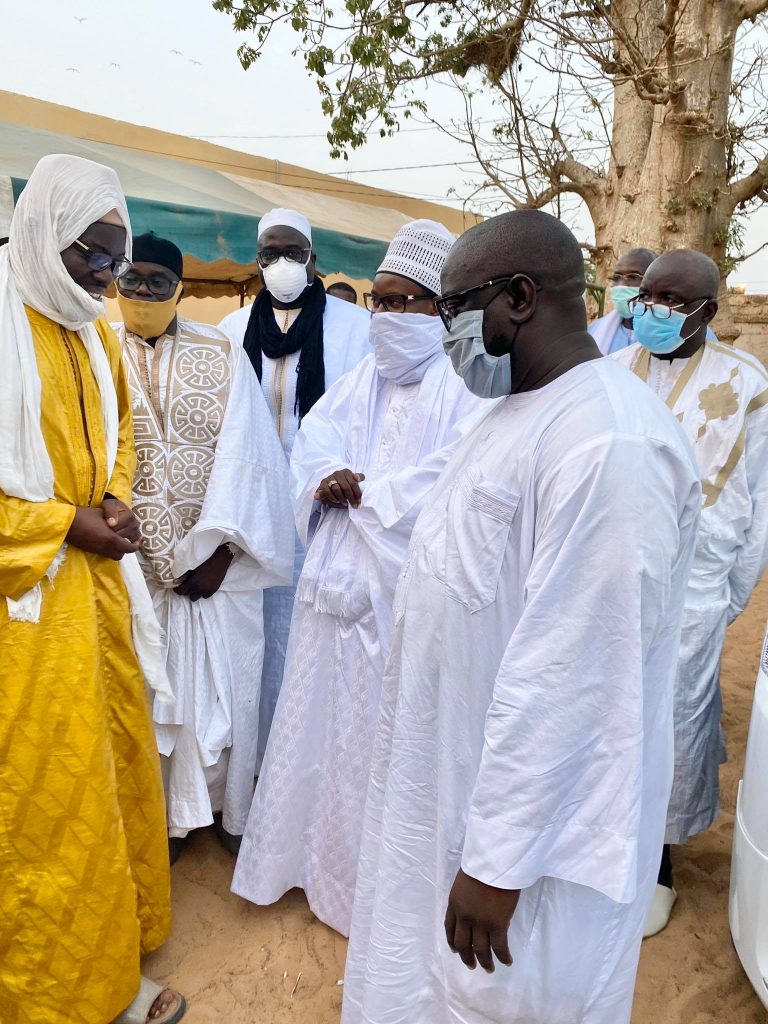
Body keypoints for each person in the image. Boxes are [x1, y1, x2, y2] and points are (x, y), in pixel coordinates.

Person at [342, 210, 701, 1024]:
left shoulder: (608, 444)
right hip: (454, 785)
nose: (443, 335)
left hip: (528, 856)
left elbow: (577, 674)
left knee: (503, 1001)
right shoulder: (518, 411)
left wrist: (498, 861)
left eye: (451, 310)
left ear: (519, 298)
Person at [232, 220, 487, 935]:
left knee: (384, 748)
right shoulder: (359, 380)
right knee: (319, 739)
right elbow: (312, 444)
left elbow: (456, 481)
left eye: (404, 302)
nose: (388, 316)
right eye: (380, 300)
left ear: (440, 308)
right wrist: (323, 481)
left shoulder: (464, 390)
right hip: (333, 598)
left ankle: (374, 894)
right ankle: (308, 867)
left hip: (399, 606)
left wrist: (365, 495)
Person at [0, 155, 185, 1024]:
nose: (107, 278)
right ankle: (60, 994)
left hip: (97, 595)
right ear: (45, 234)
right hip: (24, 612)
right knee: (47, 799)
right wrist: (64, 525)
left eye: (115, 260)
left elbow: (121, 434)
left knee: (108, 770)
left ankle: (112, 958)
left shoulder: (94, 334)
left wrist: (112, 497)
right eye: (92, 257)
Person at [113, 233, 294, 865]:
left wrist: (222, 556)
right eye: (132, 279)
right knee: (142, 698)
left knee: (225, 695)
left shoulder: (220, 352)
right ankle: (158, 821)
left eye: (157, 282)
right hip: (129, 569)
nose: (143, 291)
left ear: (179, 288)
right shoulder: (97, 347)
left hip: (217, 573)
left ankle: (223, 811)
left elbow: (251, 458)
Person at [614, 249, 768, 936]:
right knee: (608, 712)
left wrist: (725, 597)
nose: (655, 310)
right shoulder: (611, 372)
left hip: (696, 590)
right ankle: (602, 844)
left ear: (709, 310)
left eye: (675, 301)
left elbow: (759, 507)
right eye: (649, 295)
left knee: (674, 719)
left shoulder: (748, 384)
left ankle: (659, 863)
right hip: (611, 579)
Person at [219, 208, 370, 768]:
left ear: (313, 258)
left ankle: (299, 768)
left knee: (309, 638)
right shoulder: (231, 330)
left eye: (293, 252)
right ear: (257, 259)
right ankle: (249, 771)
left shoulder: (356, 328)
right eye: (270, 253)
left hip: (322, 514)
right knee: (250, 640)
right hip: (250, 513)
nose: (281, 263)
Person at [588, 247, 658, 354]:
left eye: (633, 277)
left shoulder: (667, 336)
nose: (621, 285)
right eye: (616, 278)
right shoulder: (594, 332)